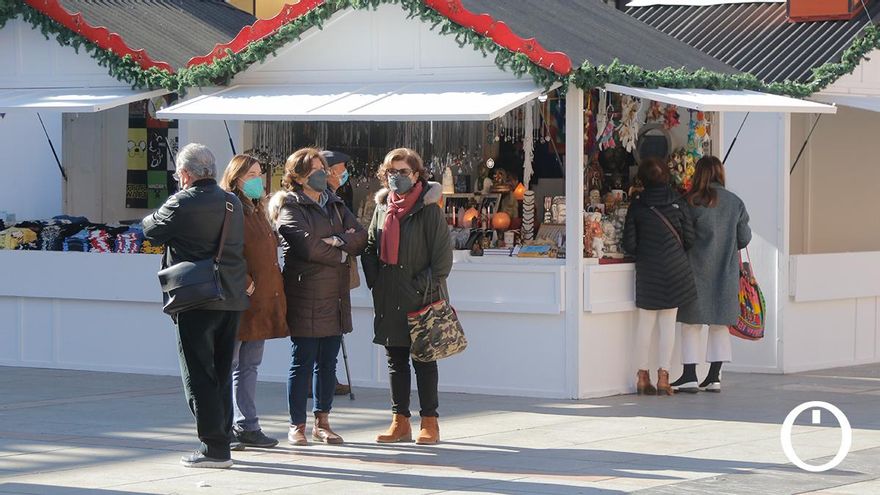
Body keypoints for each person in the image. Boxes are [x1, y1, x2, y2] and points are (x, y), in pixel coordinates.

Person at [142, 143, 248, 469]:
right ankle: (224, 438)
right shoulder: (233, 203)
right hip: (230, 297)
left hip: (195, 297)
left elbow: (150, 229)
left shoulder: (181, 202)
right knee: (221, 370)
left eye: (178, 173)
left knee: (198, 373)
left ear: (185, 174)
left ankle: (214, 448)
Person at [269, 147, 367, 445]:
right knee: (303, 361)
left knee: (329, 363)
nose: (323, 174)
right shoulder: (290, 206)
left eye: (323, 168)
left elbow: (360, 237)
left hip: (335, 294)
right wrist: (340, 253)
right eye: (315, 169)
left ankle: (322, 421)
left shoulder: (335, 204)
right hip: (305, 293)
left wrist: (337, 240)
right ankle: (296, 425)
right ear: (297, 176)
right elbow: (307, 248)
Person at [362, 148, 451, 445]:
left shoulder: (429, 209)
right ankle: (400, 421)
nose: (397, 177)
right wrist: (376, 281)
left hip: (420, 296)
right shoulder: (382, 207)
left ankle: (430, 421)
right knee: (395, 360)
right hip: (389, 296)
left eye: (403, 172)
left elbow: (441, 262)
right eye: (391, 172)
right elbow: (370, 246)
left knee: (424, 360)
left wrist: (417, 287)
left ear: (416, 176)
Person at [219, 155, 289, 448]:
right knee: (229, 364)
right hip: (239, 300)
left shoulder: (258, 210)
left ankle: (247, 423)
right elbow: (223, 252)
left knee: (249, 365)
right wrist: (246, 282)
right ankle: (223, 427)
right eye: (251, 174)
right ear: (236, 178)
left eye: (260, 173)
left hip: (261, 302)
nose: (258, 179)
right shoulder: (229, 208)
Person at [672, 155, 752, 393]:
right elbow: (744, 238)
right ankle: (714, 377)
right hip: (725, 272)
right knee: (719, 325)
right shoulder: (735, 202)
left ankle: (689, 376)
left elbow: (682, 236)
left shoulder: (689, 202)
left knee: (690, 325)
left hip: (694, 271)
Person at [623, 158, 697, 396]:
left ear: (642, 180)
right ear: (667, 176)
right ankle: (664, 377)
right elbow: (690, 239)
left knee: (645, 325)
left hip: (649, 270)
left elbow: (629, 244)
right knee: (668, 326)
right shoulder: (679, 203)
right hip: (675, 270)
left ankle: (642, 377)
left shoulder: (637, 206)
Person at [322, 149, 354, 397]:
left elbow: (358, 233)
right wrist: (343, 239)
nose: (344, 175)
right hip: (323, 277)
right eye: (341, 171)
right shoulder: (322, 200)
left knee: (335, 330)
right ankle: (324, 378)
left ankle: (328, 376)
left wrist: (341, 239)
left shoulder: (337, 199)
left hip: (339, 276)